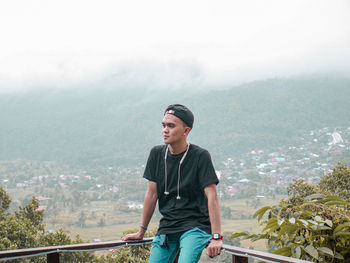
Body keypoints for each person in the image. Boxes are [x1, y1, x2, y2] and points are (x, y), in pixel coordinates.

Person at [122, 104, 222, 263]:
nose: (165, 130)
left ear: (186, 130)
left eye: (171, 126)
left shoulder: (200, 156)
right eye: (163, 125)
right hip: (168, 227)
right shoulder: (156, 154)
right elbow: (151, 194)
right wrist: (141, 231)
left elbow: (212, 197)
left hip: (195, 227)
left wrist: (216, 237)